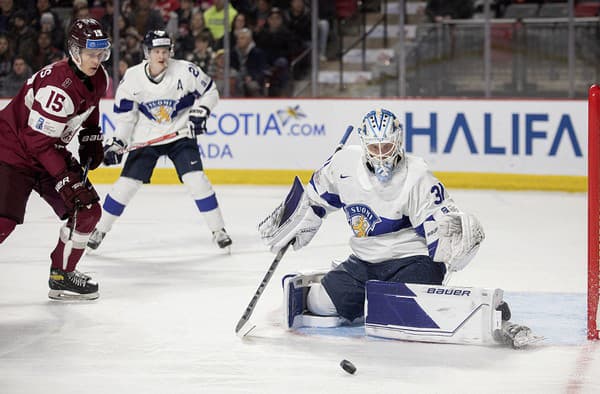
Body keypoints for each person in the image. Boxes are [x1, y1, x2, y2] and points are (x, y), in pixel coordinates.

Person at [259, 108, 538, 348]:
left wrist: (455, 241)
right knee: (320, 304)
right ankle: (366, 293)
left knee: (390, 307)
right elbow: (315, 202)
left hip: (411, 261)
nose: (381, 156)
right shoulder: (341, 165)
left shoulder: (416, 175)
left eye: (387, 147)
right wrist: (299, 222)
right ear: (364, 145)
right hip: (364, 262)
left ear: (398, 143)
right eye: (374, 148)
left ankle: (489, 313)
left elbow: (441, 224)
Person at [87, 30, 232, 251]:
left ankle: (218, 230)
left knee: (197, 180)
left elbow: (210, 91)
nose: (161, 56)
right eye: (156, 51)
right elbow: (126, 117)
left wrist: (202, 110)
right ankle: (100, 229)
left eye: (165, 51)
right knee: (125, 186)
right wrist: (118, 142)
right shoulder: (133, 78)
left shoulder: (186, 70)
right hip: (147, 137)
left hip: (180, 135)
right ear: (147, 53)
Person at [0, 18, 111, 300]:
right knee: (3, 223)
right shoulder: (57, 87)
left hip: (46, 151)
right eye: (91, 53)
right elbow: (37, 142)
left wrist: (91, 135)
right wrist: (63, 180)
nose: (97, 60)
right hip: (12, 151)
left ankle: (62, 275)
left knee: (86, 211)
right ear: (74, 51)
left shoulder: (99, 77)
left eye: (101, 53)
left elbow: (90, 106)